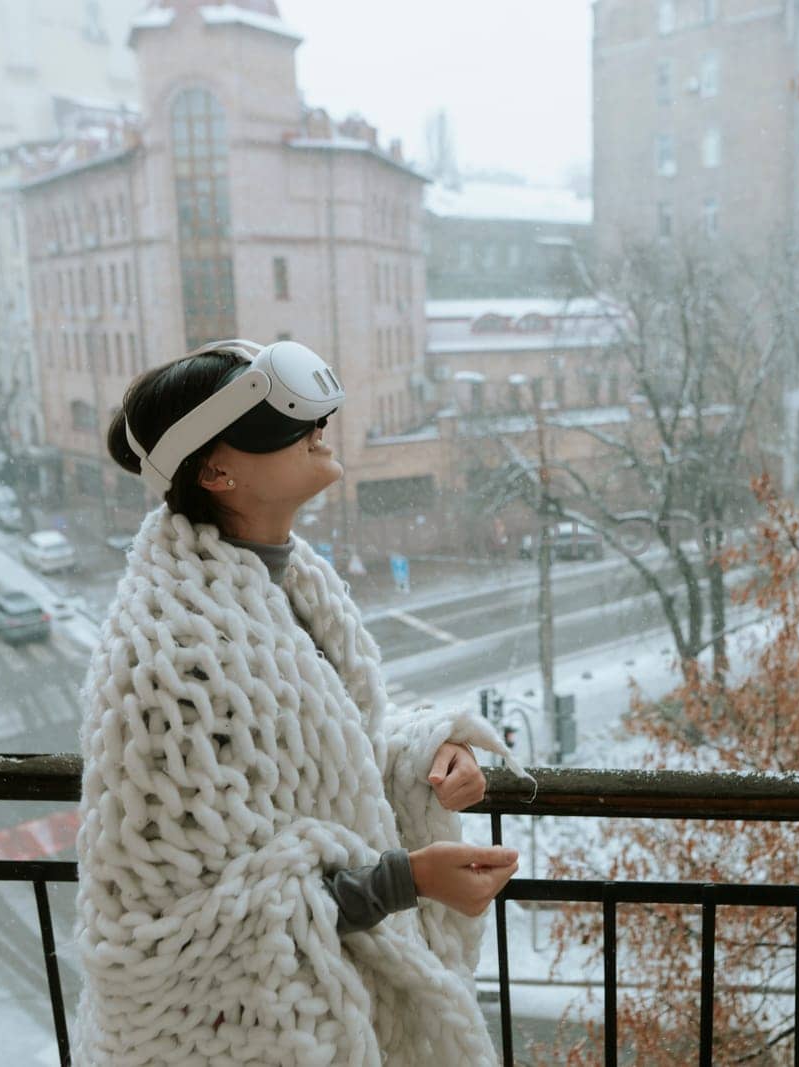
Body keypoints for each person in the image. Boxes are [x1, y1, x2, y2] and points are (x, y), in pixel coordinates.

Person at [75, 339, 535, 1065]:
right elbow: (190, 922)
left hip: (345, 999)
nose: (318, 429)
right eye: (287, 426)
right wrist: (405, 879)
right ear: (218, 469)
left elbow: (322, 768)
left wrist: (428, 757)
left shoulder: (289, 584)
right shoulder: (168, 655)